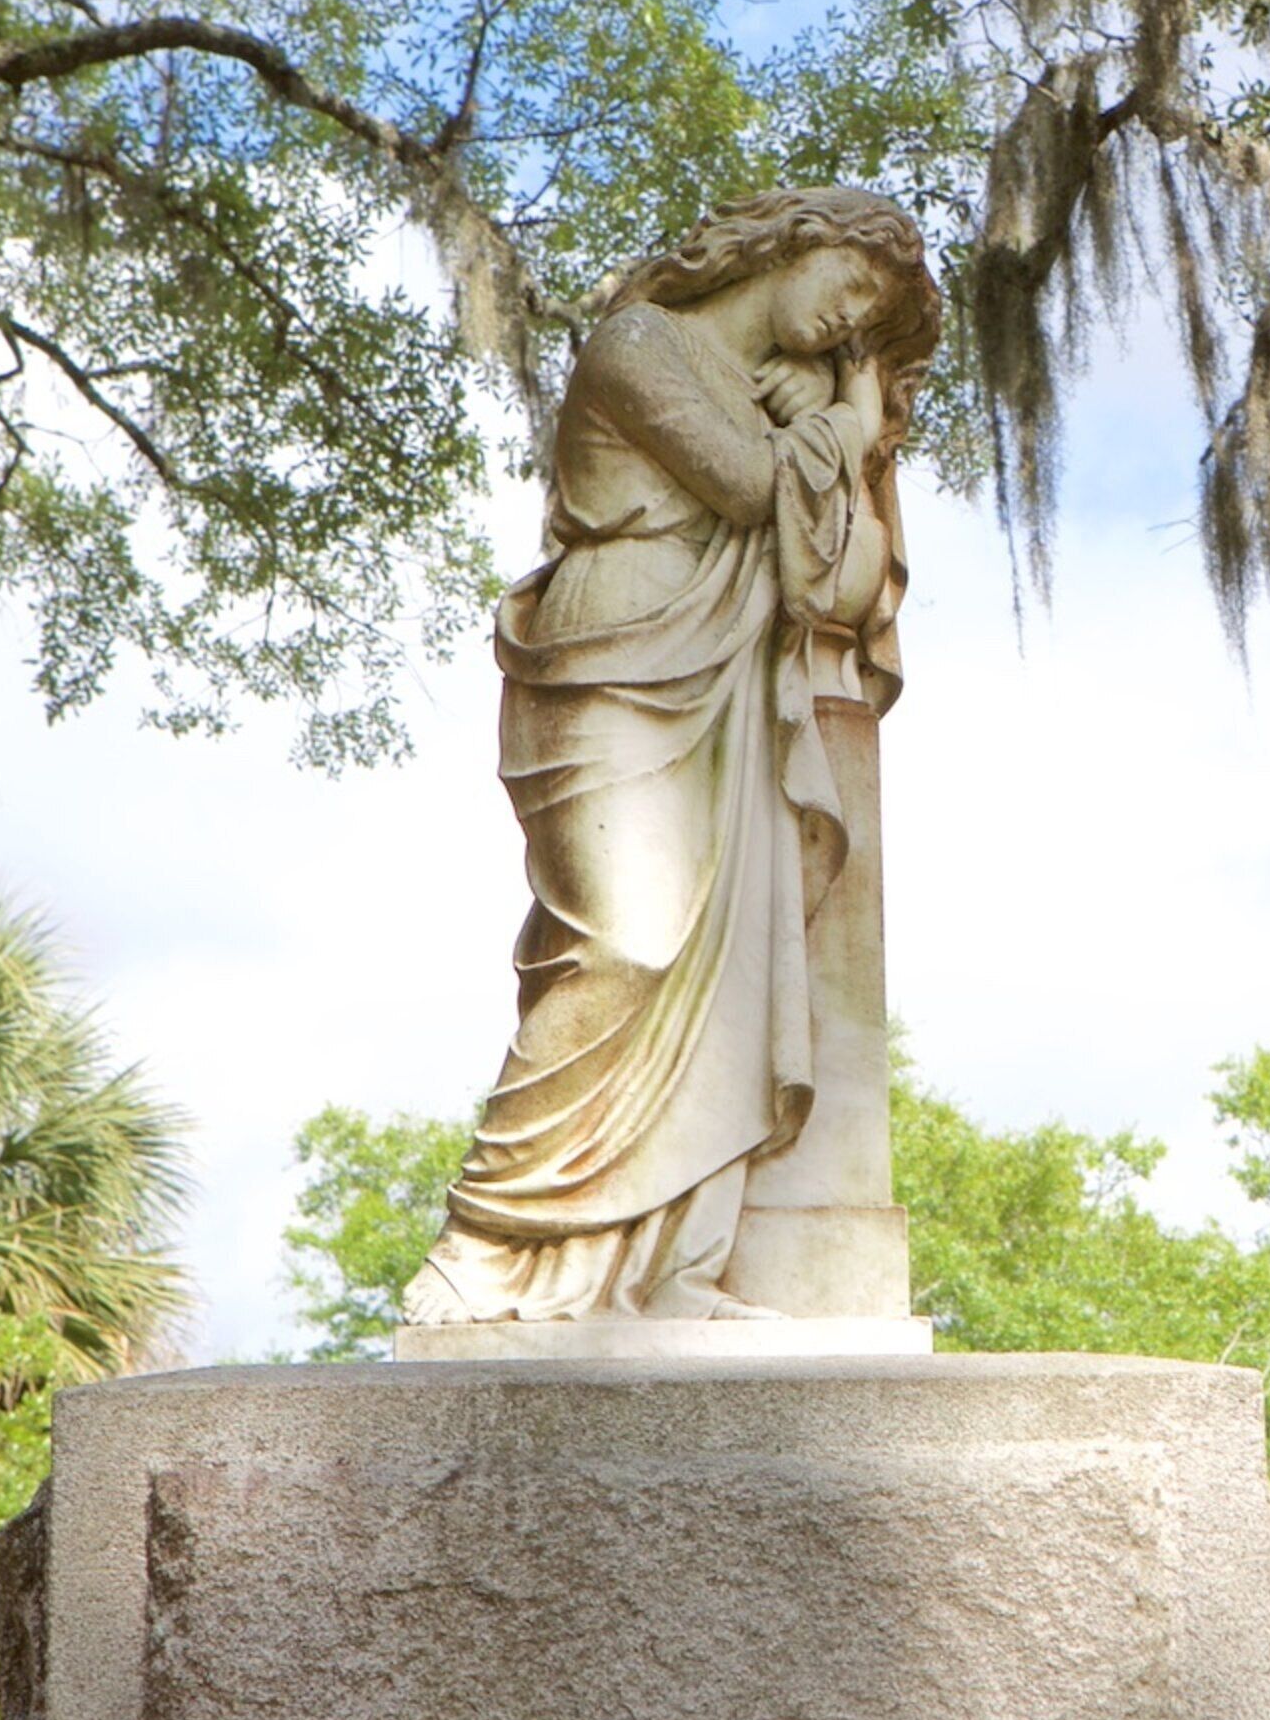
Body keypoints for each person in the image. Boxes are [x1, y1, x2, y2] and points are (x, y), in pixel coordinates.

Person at [402, 187, 939, 1324]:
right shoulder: (640, 342)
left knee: (725, 975)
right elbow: (747, 485)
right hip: (613, 660)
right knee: (625, 949)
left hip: (726, 681)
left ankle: (669, 1264)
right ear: (788, 246)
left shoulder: (781, 403)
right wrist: (841, 419)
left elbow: (841, 584)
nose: (849, 322)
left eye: (869, 320)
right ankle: (487, 1242)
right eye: (847, 285)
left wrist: (838, 431)